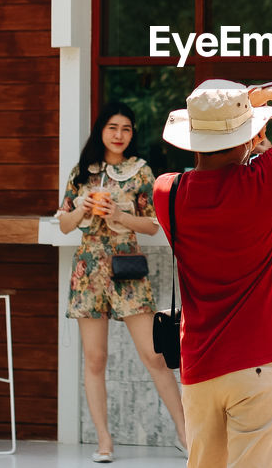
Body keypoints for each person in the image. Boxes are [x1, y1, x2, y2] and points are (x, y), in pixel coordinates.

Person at [155, 80, 272, 468]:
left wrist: (248, 138)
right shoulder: (265, 180)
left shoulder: (166, 193)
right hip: (258, 361)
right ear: (251, 137)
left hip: (199, 367)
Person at [57, 101, 188, 463]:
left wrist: (120, 214)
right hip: (88, 271)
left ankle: (185, 432)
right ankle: (104, 441)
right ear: (101, 130)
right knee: (95, 359)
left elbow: (152, 225)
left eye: (126, 129)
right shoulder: (82, 173)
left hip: (127, 267)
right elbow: (65, 225)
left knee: (154, 355)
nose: (119, 135)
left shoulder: (141, 172)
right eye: (113, 127)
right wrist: (82, 207)